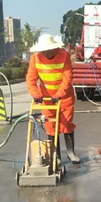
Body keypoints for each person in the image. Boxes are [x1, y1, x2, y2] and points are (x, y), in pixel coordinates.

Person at [25, 33, 80, 164]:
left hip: (64, 97)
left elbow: (67, 77)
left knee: (66, 124)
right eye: (44, 51)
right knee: (50, 126)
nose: (47, 53)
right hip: (46, 99)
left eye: (49, 50)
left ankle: (71, 153)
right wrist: (36, 94)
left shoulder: (64, 55)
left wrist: (59, 94)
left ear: (54, 48)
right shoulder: (35, 58)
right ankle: (56, 155)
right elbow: (30, 79)